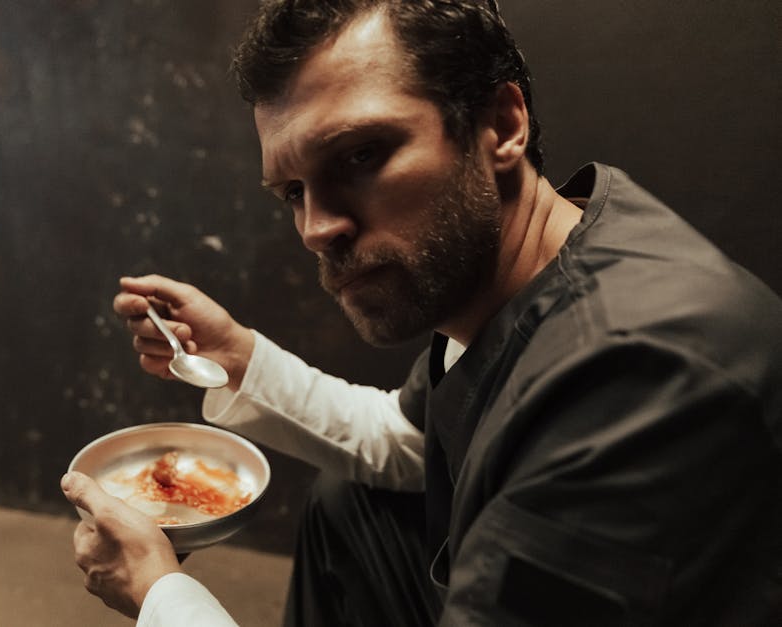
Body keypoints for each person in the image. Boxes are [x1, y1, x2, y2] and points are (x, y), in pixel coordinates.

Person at [61, 1, 782, 625]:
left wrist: (161, 594)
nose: (316, 228)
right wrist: (241, 358)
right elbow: (414, 442)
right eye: (293, 193)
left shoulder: (636, 377)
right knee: (351, 506)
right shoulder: (530, 271)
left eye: (361, 155)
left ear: (501, 124)